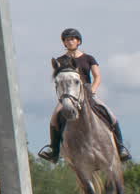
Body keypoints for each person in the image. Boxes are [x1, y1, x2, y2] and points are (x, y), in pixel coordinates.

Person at [38, 28, 130, 163]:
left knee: (110, 114)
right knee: (54, 118)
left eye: (72, 39)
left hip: (87, 91)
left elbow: (97, 76)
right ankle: (54, 149)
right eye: (66, 40)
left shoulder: (88, 58)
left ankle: (120, 147)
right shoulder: (60, 60)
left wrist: (92, 90)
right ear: (64, 43)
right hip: (69, 94)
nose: (69, 42)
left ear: (78, 41)